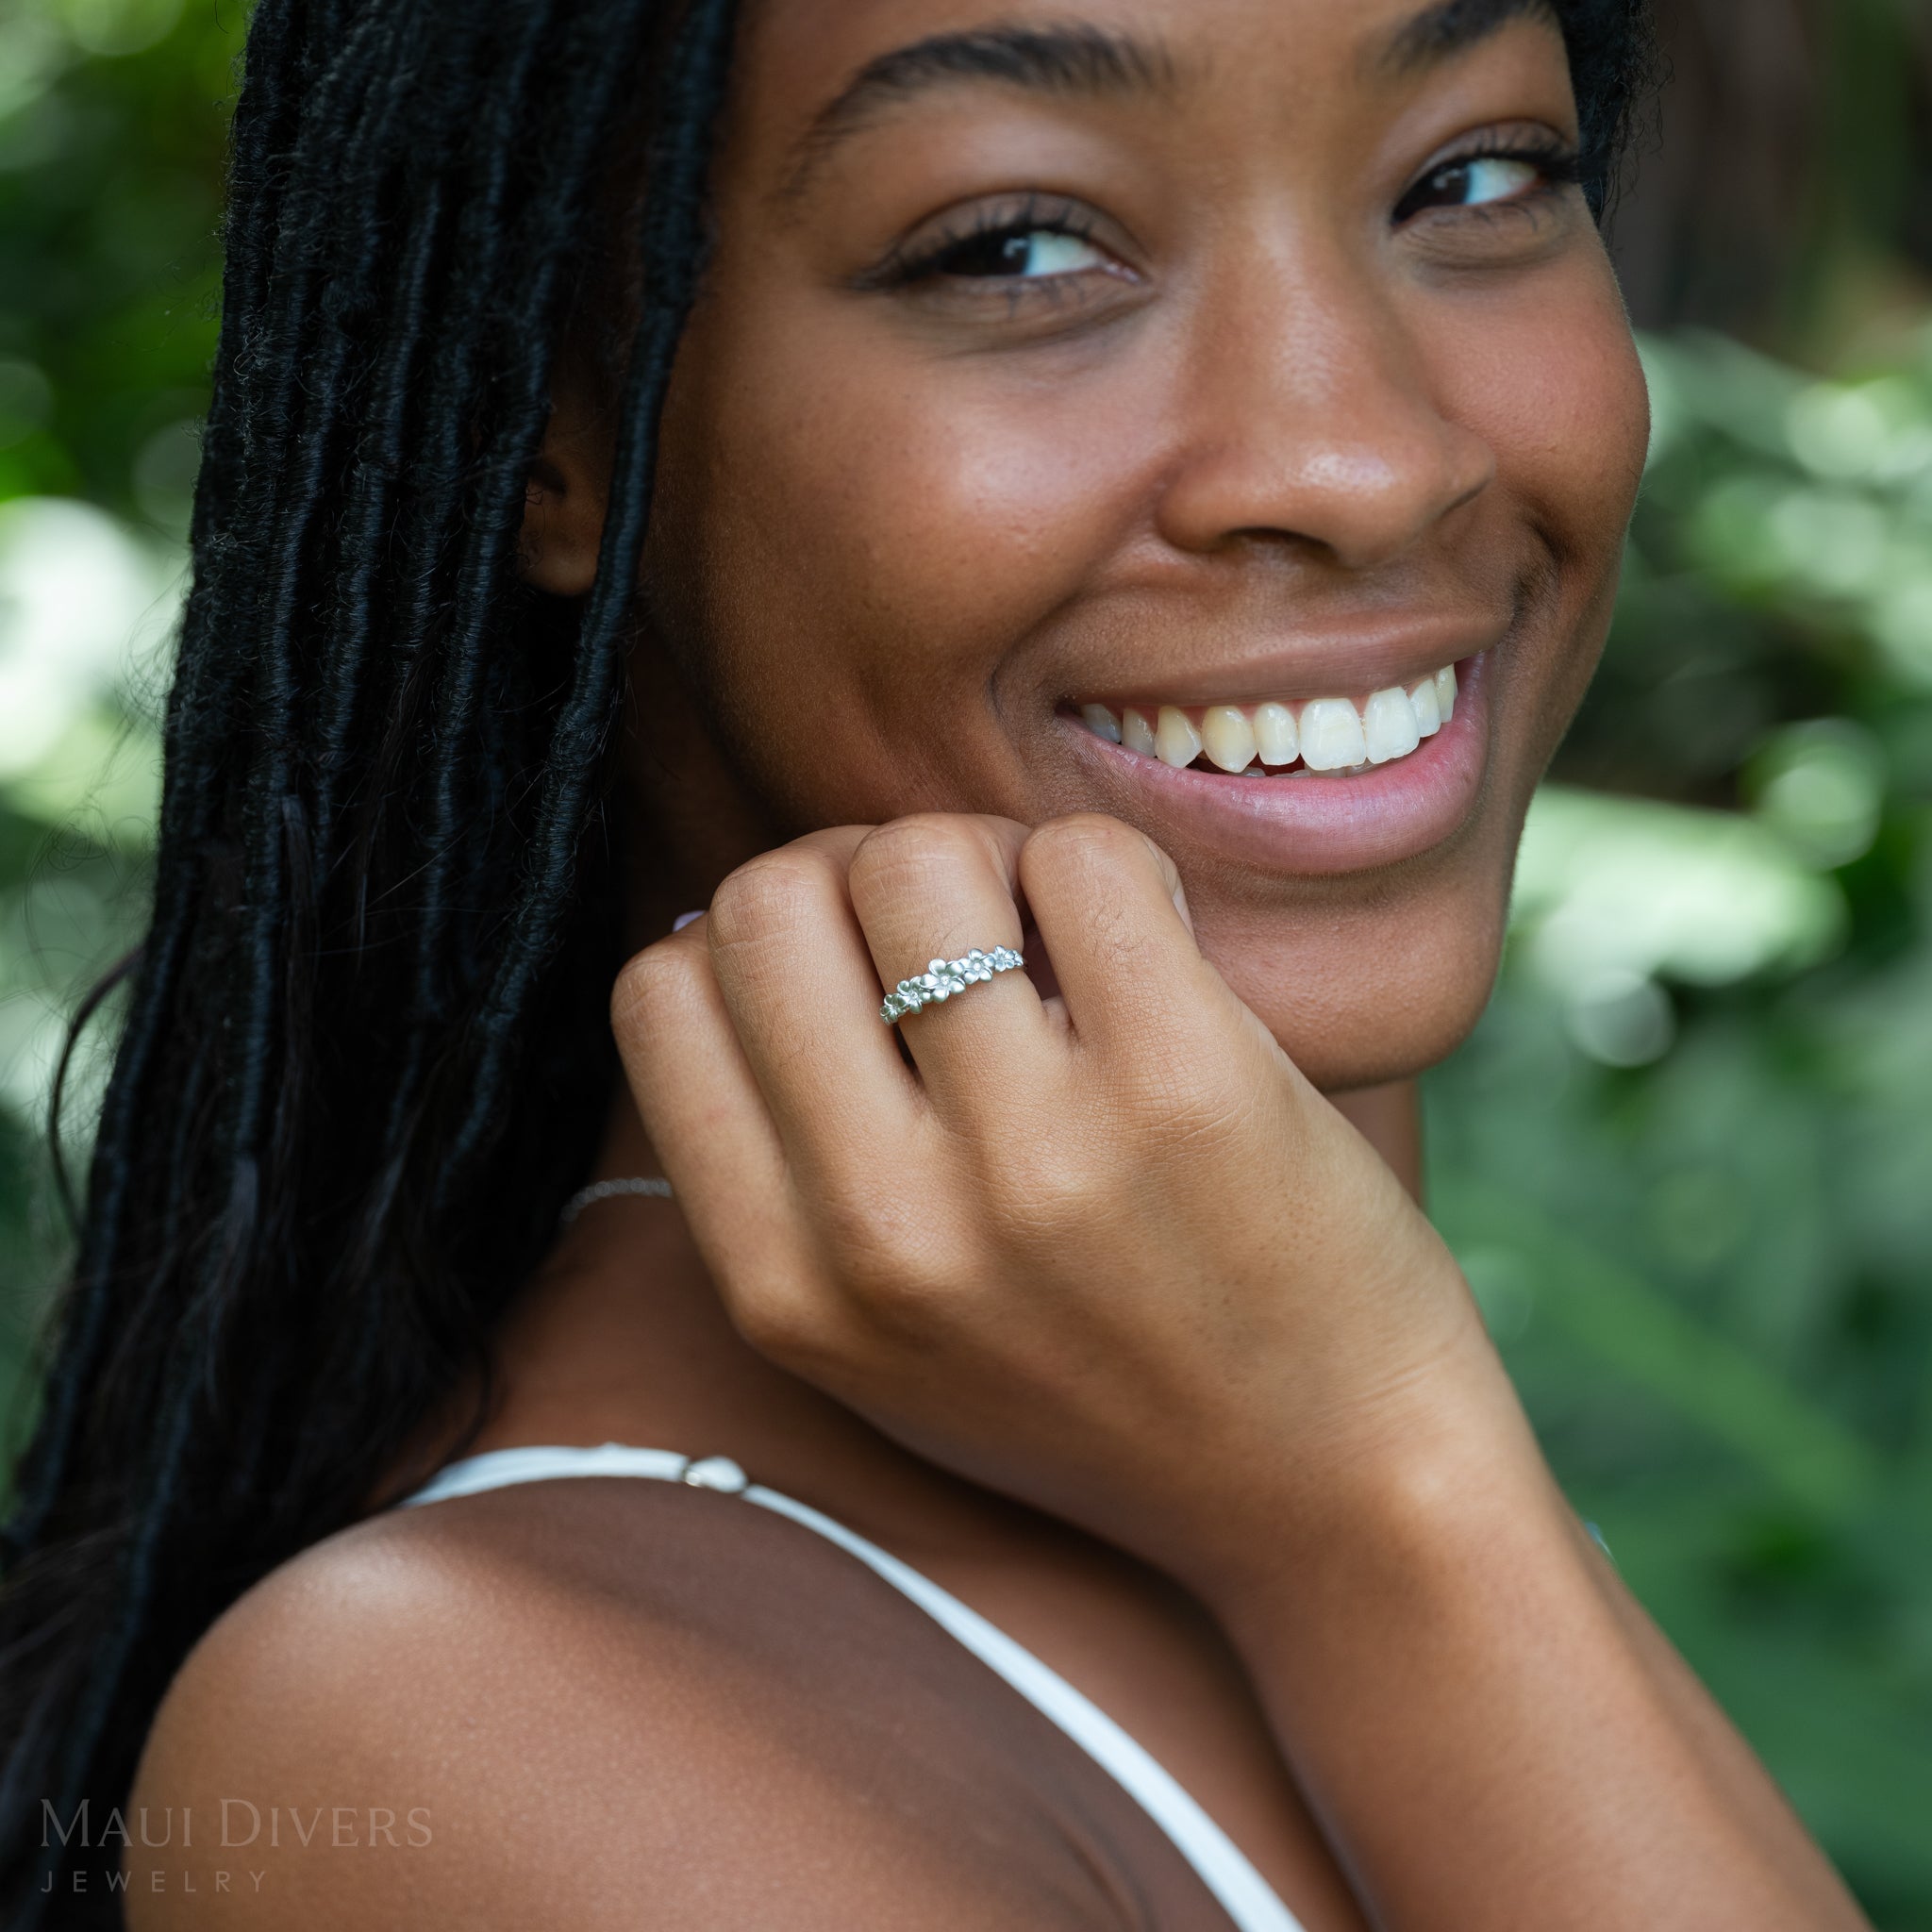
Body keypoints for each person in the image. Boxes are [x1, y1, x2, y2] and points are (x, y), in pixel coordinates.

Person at [0, 0, 1874, 1925]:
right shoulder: (472, 1736)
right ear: (548, 422)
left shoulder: (1270, 1416)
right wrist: (1389, 1503)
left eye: (1474, 178)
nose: (1363, 458)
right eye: (1019, 247)